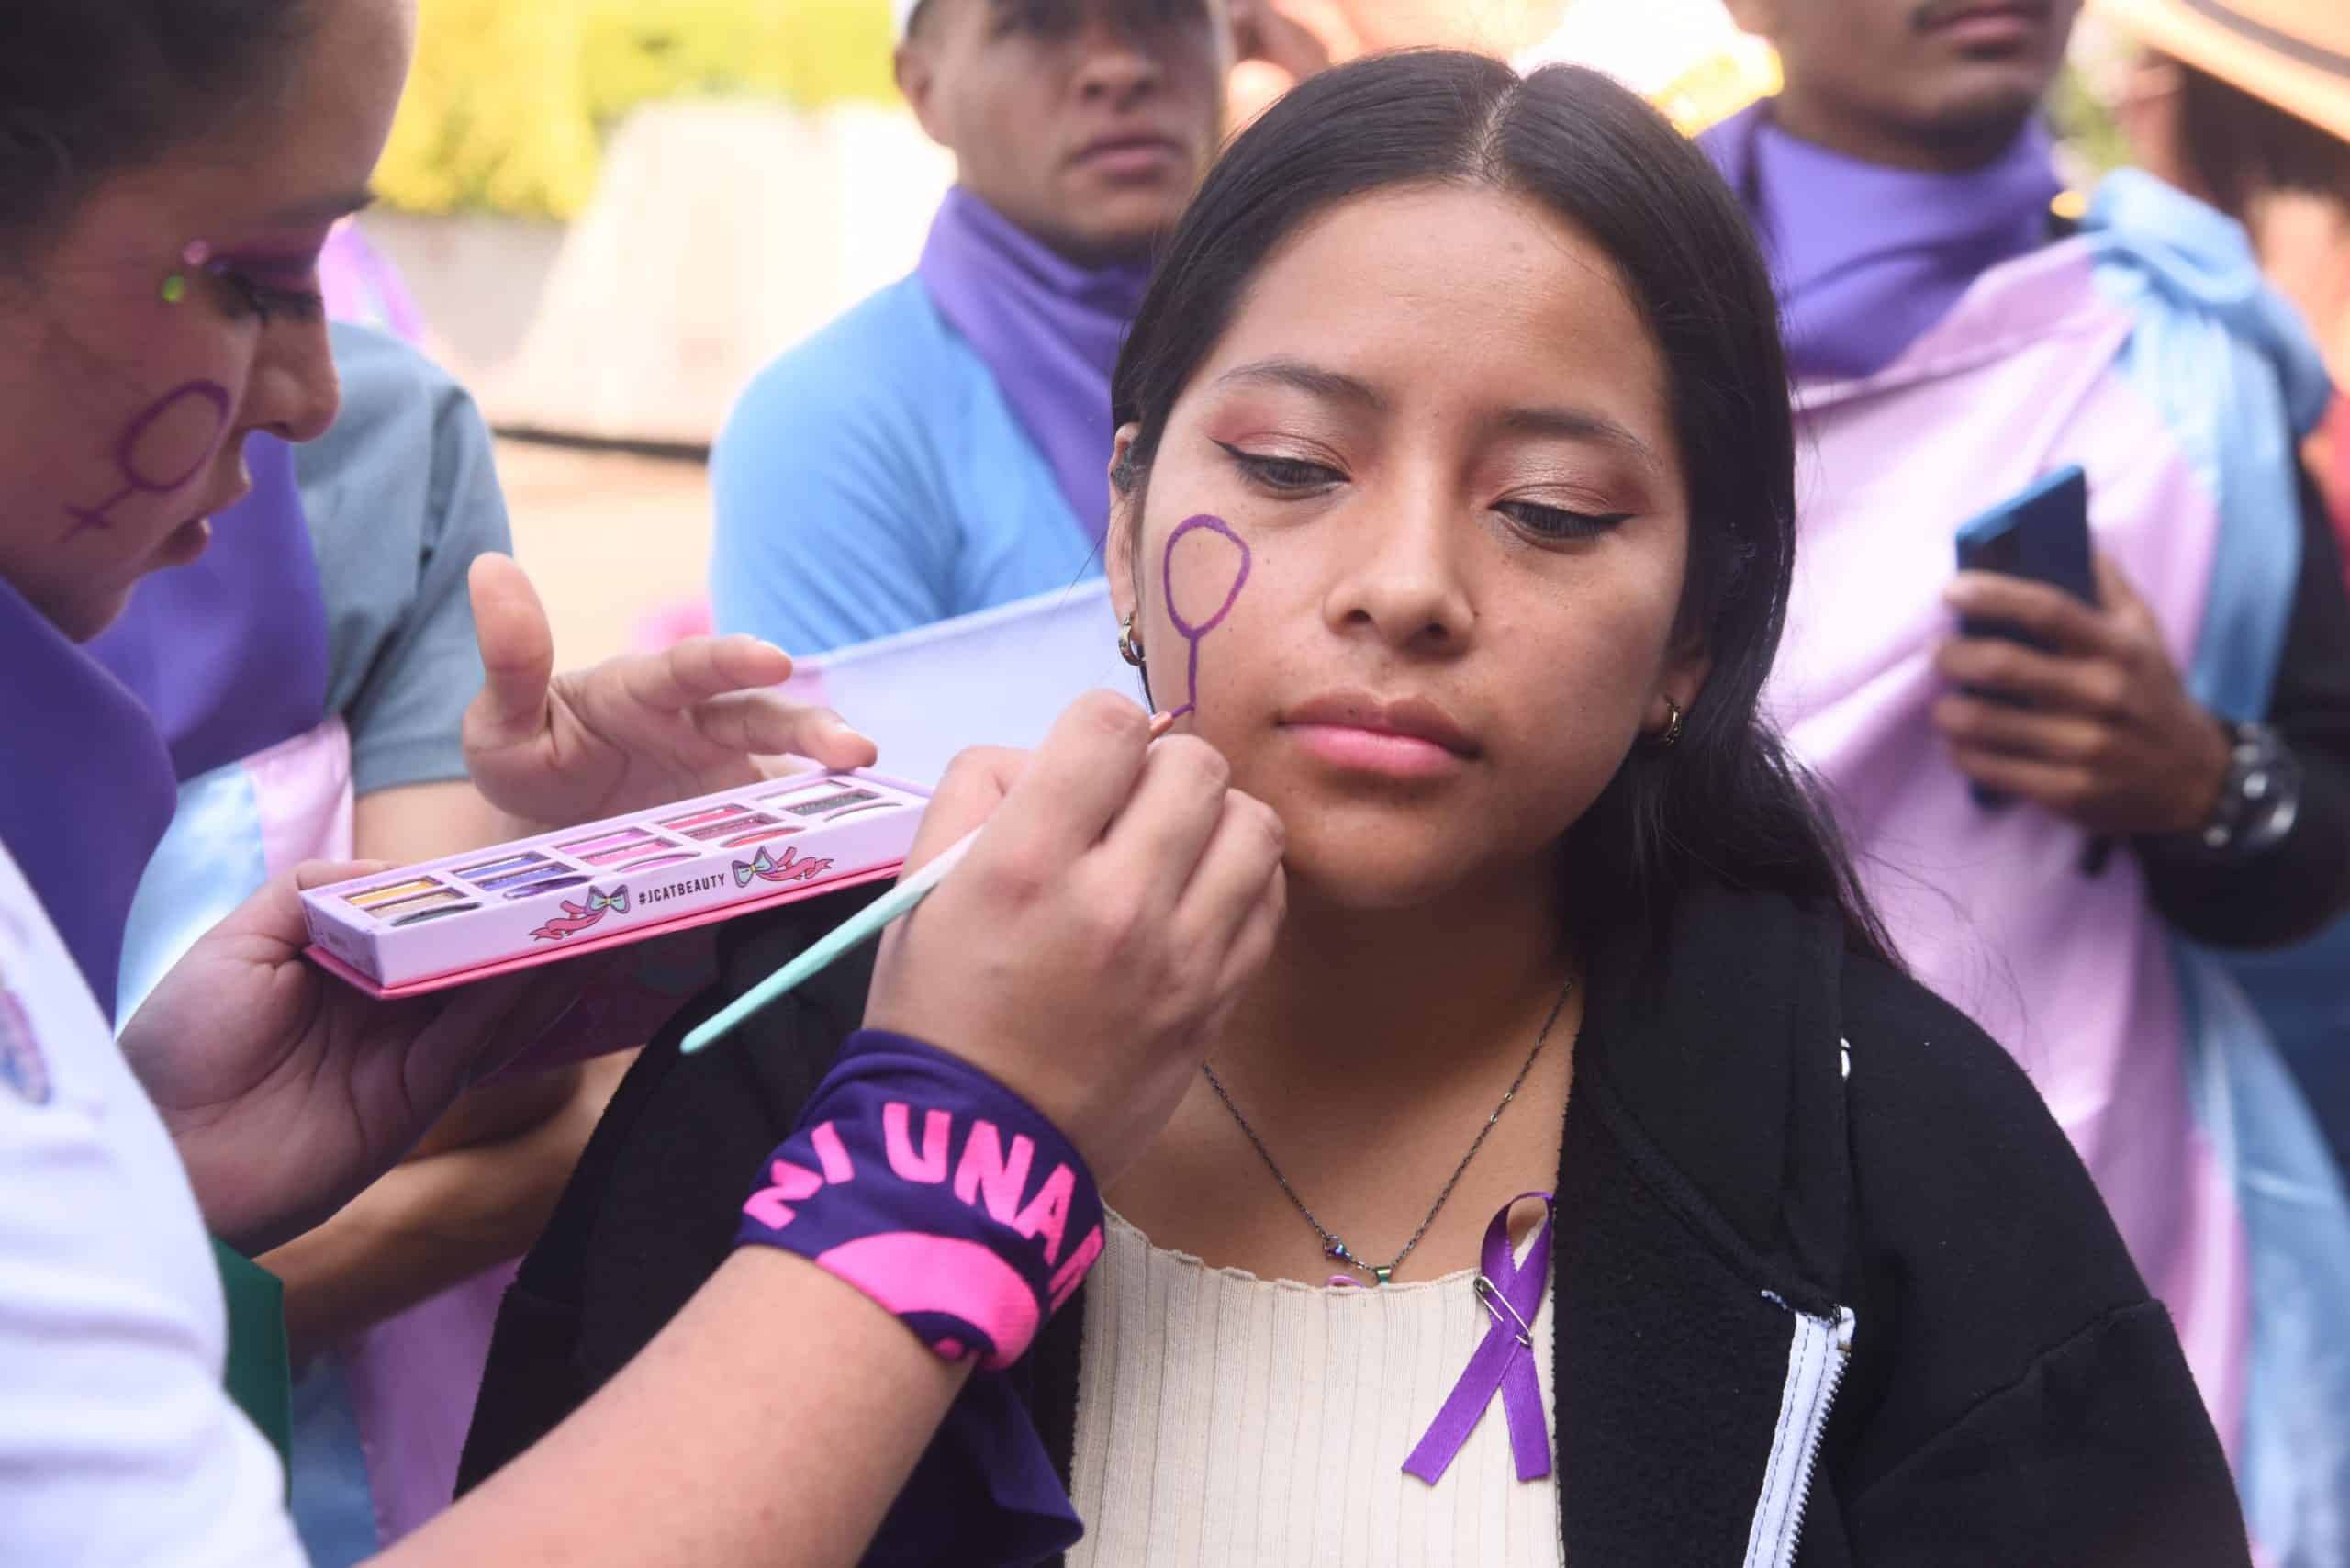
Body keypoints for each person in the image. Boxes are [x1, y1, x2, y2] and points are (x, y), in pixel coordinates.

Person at [465, 50, 2249, 1565]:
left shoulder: (1901, 1171)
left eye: (1550, 509)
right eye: (1293, 468)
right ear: (1120, 519)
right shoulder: (803, 1069)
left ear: (1692, 635)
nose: (1404, 585)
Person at [0, 1, 1281, 1562]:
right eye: (260, 281)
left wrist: (144, 1160)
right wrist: (951, 1150)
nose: (318, 399)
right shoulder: (839, 416)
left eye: (1548, 505)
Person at [1700, 0, 2350, 1556]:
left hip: (2157, 1226)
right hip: (1714, 1222)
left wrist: (2202, 775)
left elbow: (2325, 791)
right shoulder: (1608, 307)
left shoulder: (2191, 338)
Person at [708, 0, 1242, 655]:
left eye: (1162, 10)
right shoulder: (830, 425)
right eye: (1037, 21)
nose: (1119, 66)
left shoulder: (1322, 354)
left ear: (1229, 42)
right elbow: (850, 756)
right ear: (923, 87)